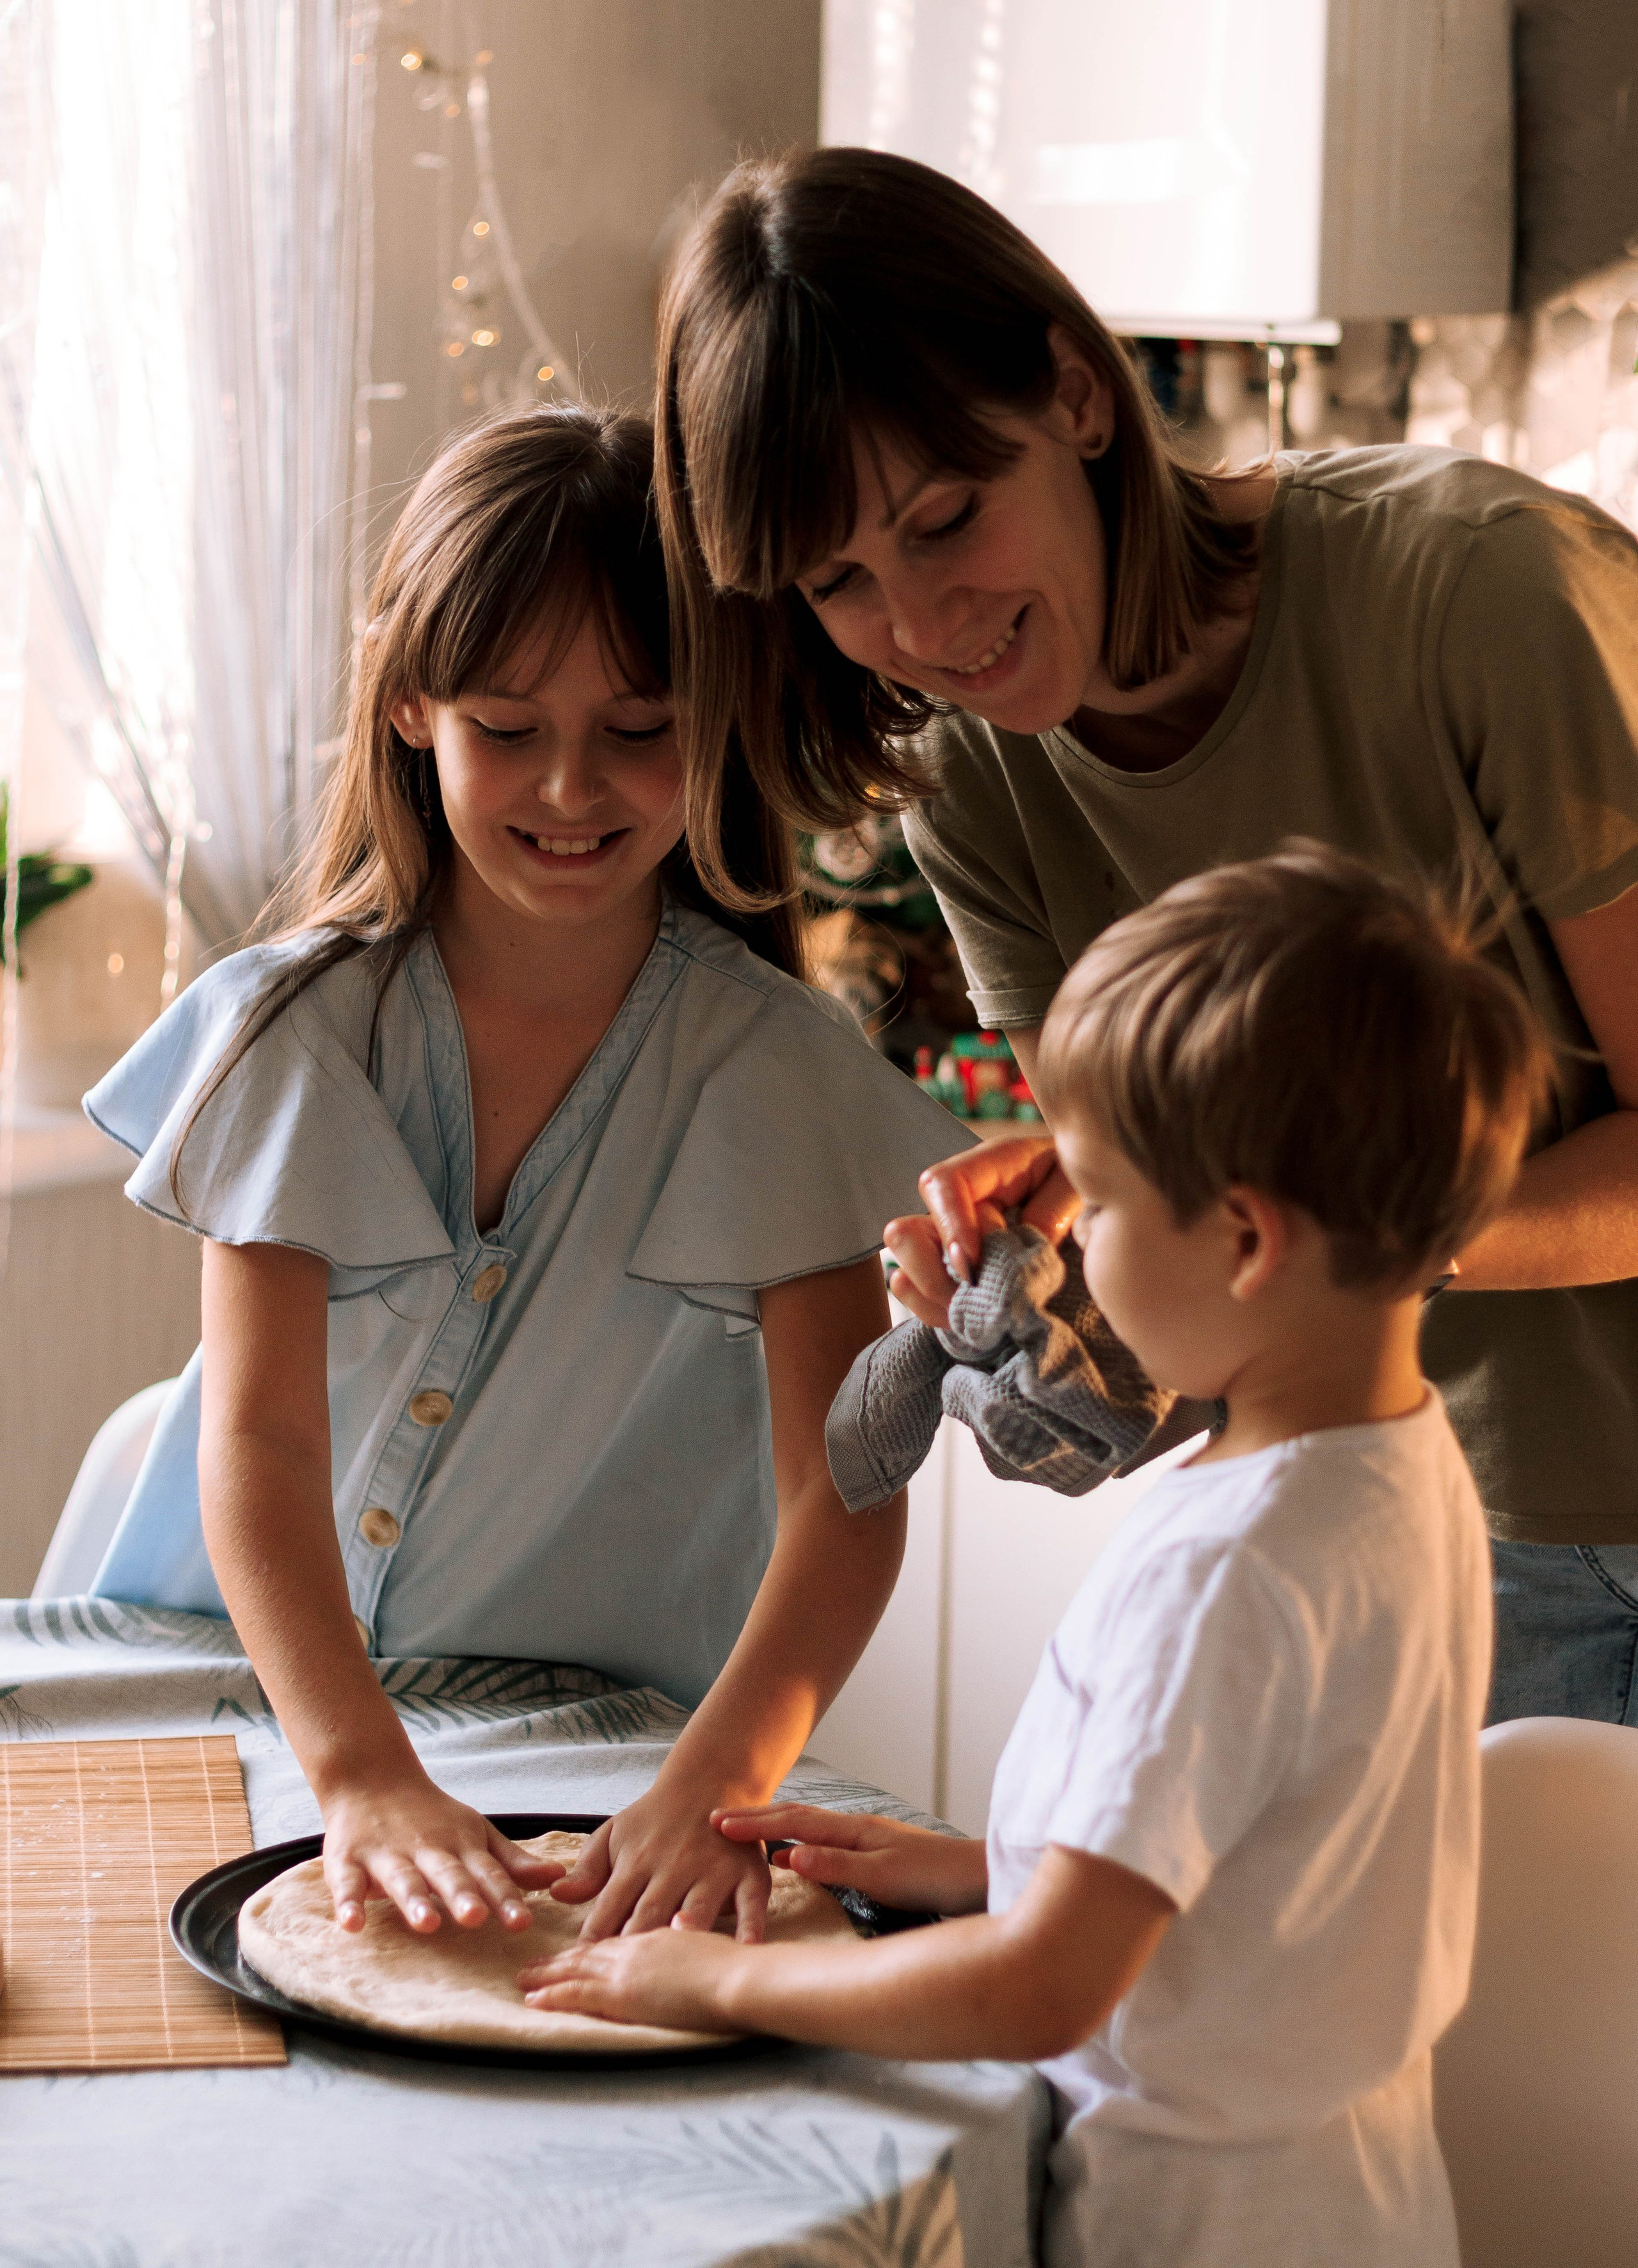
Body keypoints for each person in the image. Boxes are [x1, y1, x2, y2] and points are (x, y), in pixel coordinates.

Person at [653, 144, 1638, 1725]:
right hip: (1428, 1527)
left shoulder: (1480, 597)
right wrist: (1076, 1276)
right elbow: (1206, 1258)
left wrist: (1324, 1244)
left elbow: (1279, 1241)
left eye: (944, 518)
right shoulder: (973, 787)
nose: (916, 628)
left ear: (1076, 397)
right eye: (835, 579)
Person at [523, 845, 1550, 2268]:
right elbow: (1266, 1858)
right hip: (1354, 2199)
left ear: (1246, 1239)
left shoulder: (1231, 1570)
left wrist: (713, 1985)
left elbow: (1039, 1998)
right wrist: (989, 1865)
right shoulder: (1398, 1463)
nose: (1074, 1253)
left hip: (1193, 2227)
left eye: (1105, 1204)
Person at [82, 406, 965, 1944]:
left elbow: (838, 1489)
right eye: (508, 726)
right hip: (229, 1698)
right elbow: (264, 1442)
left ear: (723, 717)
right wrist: (357, 1768)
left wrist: (718, 1778)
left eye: (640, 729)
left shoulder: (769, 1074)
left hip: (591, 1752)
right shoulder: (295, 1031)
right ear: (414, 709)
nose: (571, 788)